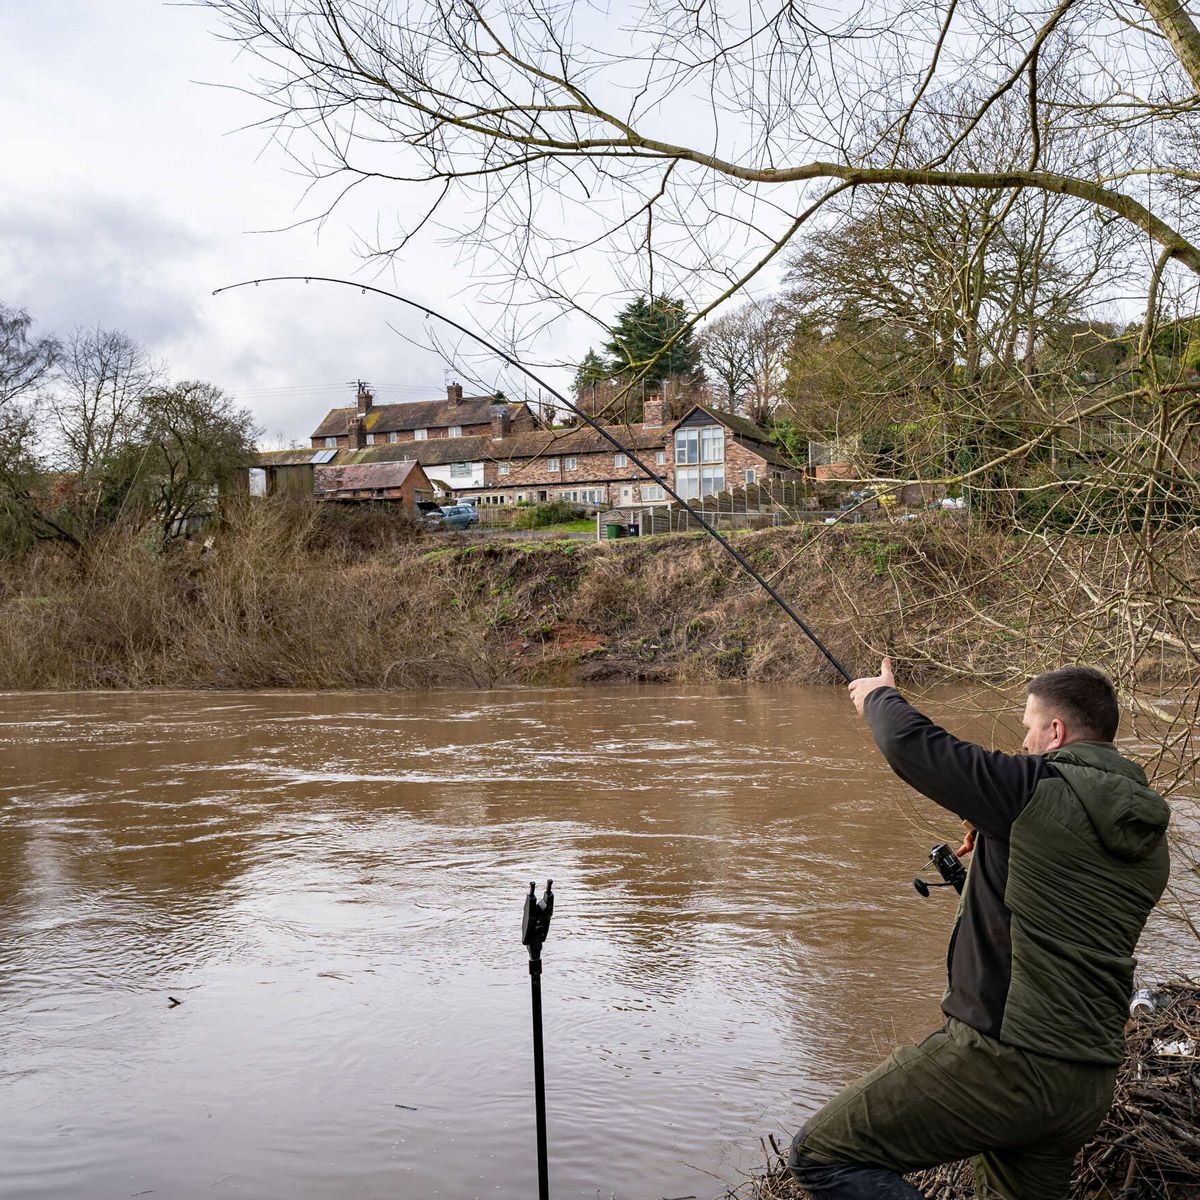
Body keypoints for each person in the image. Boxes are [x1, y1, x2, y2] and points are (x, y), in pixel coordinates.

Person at [788, 660, 1171, 1200]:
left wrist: (879, 698)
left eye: (1027, 729)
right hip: (1084, 1083)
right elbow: (1059, 899)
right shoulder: (1148, 839)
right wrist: (1002, 838)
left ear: (1055, 732)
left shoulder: (1035, 792)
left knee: (822, 1153)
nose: (1023, 743)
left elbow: (916, 747)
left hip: (1004, 1062)